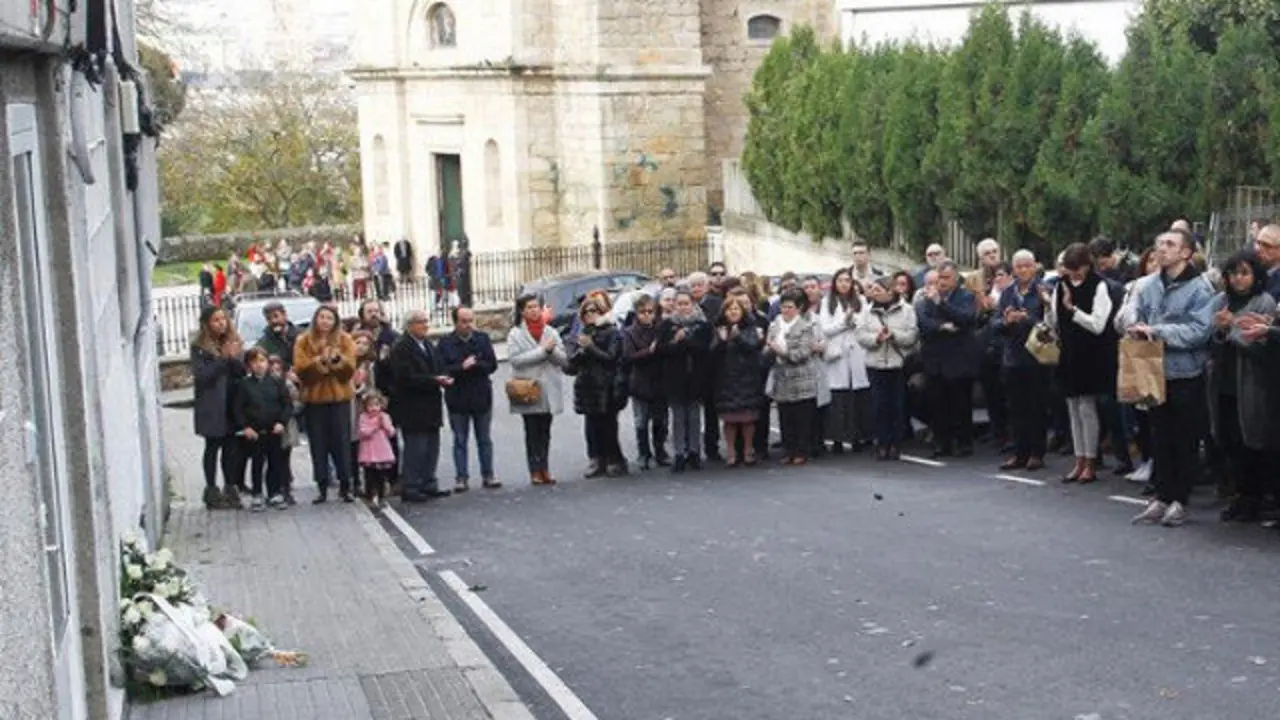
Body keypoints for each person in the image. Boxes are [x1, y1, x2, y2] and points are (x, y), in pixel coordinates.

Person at [1128, 229, 1215, 527]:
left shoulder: (1199, 289)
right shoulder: (1148, 284)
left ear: (1186, 253)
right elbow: (1132, 313)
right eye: (1160, 243)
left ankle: (1180, 499)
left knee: (1184, 439)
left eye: (1170, 245)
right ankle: (1161, 496)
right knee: (1159, 436)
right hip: (1154, 371)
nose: (1161, 249)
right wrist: (1134, 326)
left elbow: (1198, 331)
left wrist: (1158, 331)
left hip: (1185, 372)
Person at [1208, 251, 1276, 522]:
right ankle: (1239, 495)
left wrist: (1232, 329)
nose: (1238, 279)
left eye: (1244, 273)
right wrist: (1221, 330)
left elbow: (1259, 344)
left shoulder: (1264, 302)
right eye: (1233, 273)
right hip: (1223, 380)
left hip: (1251, 383)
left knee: (1252, 441)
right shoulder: (1223, 301)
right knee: (1228, 439)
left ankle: (1255, 498)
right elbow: (1212, 337)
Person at [1045, 243, 1115, 484]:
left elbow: (1098, 324)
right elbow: (1054, 319)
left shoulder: (1099, 285)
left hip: (1090, 355)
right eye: (1069, 269)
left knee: (1087, 408)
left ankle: (1091, 460)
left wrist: (1072, 310)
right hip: (1068, 354)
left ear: (1087, 265)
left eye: (1077, 269)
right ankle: (1078, 458)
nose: (1073, 274)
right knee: (1072, 409)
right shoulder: (1059, 286)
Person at [293, 306, 358, 503]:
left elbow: (349, 370)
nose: (325, 321)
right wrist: (319, 363)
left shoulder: (345, 339)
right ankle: (321, 486)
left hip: (339, 400)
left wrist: (337, 362)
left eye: (329, 318)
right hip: (315, 400)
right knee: (318, 445)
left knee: (342, 443)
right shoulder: (303, 341)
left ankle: (346, 485)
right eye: (321, 317)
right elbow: (301, 370)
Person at [992, 250, 1049, 471]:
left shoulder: (1043, 290)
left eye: (1027, 265)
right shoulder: (1007, 293)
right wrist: (1007, 321)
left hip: (1037, 356)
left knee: (1036, 406)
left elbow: (1049, 321)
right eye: (1019, 266)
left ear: (1034, 267)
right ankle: (1019, 452)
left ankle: (1037, 452)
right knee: (1016, 408)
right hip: (1013, 356)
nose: (1023, 270)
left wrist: (1027, 319)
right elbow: (995, 324)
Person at [389, 310, 454, 502]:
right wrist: (434, 380)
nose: (425, 325)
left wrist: (443, 376)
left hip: (431, 403)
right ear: (409, 325)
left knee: (431, 446)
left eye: (426, 321)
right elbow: (404, 378)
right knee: (416, 447)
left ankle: (428, 482)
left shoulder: (428, 344)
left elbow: (439, 365)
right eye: (420, 322)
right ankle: (412, 485)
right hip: (412, 405)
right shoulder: (401, 347)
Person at [916, 262, 980, 458]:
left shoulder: (965, 297)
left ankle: (964, 442)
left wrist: (942, 305)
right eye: (939, 278)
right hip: (935, 359)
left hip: (958, 360)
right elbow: (924, 323)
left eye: (946, 278)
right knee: (938, 404)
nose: (941, 282)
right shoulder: (927, 299)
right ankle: (941, 442)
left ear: (955, 279)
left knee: (961, 403)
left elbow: (966, 318)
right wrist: (942, 327)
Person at [508, 294, 570, 485]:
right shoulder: (516, 333)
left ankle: (545, 468)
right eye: (529, 307)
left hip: (548, 388)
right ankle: (534, 469)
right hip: (528, 388)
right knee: (532, 431)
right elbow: (516, 359)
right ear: (522, 311)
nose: (534, 311)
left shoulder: (551, 331)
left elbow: (563, 360)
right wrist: (542, 351)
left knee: (545, 431)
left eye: (536, 307)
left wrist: (551, 352)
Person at [438, 306, 501, 491]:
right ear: (455, 322)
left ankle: (488, 474)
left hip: (480, 395)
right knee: (460, 439)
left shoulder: (482, 339)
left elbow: (492, 364)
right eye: (463, 321)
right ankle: (461, 477)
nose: (468, 325)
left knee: (484, 439)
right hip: (457, 398)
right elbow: (442, 368)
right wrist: (462, 367)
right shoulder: (445, 343)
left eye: (470, 321)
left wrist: (477, 365)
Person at [856, 277, 917, 461]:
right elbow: (860, 335)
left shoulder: (907, 310)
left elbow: (912, 335)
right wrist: (877, 339)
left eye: (877, 289)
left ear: (889, 291)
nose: (873, 293)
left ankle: (896, 444)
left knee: (897, 406)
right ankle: (882, 443)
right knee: (879, 406)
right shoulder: (867, 311)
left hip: (897, 364)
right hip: (875, 364)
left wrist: (894, 335)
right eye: (872, 289)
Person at [191, 306, 246, 509]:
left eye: (223, 319)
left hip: (232, 403)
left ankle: (231, 487)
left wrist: (233, 357)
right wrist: (223, 359)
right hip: (212, 405)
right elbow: (203, 376)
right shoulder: (200, 347)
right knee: (213, 447)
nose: (221, 323)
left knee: (232, 448)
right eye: (216, 320)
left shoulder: (234, 342)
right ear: (207, 324)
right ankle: (211, 489)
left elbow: (241, 371)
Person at [570, 296, 628, 477]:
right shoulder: (582, 333)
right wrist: (580, 350)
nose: (590, 315)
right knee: (591, 425)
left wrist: (591, 347)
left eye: (593, 311)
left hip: (607, 385)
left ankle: (614, 459)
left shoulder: (612, 332)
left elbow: (611, 358)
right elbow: (571, 363)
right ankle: (595, 458)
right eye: (586, 312)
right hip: (587, 385)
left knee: (608, 424)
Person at [658, 287, 712, 472]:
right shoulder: (666, 325)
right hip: (675, 377)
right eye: (679, 304)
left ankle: (695, 452)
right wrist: (676, 341)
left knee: (695, 416)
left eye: (686, 304)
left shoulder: (702, 324)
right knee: (678, 416)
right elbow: (661, 350)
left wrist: (687, 340)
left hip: (696, 376)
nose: (683, 307)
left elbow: (704, 349)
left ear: (693, 304)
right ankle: (679, 453)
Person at [234, 347, 292, 511]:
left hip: (274, 430)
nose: (259, 365)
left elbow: (286, 405)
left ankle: (274, 492)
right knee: (257, 463)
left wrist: (282, 422)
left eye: (262, 361)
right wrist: (245, 427)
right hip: (255, 432)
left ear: (267, 363)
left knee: (275, 462)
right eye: (254, 361)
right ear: (249, 365)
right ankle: (257, 493)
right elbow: (238, 408)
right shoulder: (244, 385)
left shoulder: (276, 382)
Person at [767, 289, 821, 465]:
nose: (786, 310)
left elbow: (802, 353)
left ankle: (801, 451)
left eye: (790, 307)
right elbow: (768, 346)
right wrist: (770, 350)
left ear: (798, 309)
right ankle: (788, 450)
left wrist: (782, 352)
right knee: (785, 417)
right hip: (782, 378)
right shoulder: (775, 326)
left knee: (802, 417)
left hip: (801, 378)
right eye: (783, 307)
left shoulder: (805, 327)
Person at [711, 296, 766, 467]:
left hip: (747, 378)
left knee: (748, 419)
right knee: (730, 419)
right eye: (729, 309)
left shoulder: (751, 328)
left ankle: (748, 450)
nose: (733, 312)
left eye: (736, 309)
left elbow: (753, 347)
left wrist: (737, 337)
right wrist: (722, 340)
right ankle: (731, 452)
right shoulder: (718, 329)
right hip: (726, 379)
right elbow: (712, 353)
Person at [819, 268, 869, 453]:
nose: (844, 284)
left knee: (857, 397)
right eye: (840, 280)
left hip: (855, 353)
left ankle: (858, 437)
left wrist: (852, 319)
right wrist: (844, 322)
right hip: (837, 354)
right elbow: (826, 328)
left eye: (847, 280)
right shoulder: (827, 302)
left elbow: (864, 324)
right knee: (838, 398)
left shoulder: (861, 301)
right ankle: (837, 439)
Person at [622, 294, 670, 469]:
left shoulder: (661, 329)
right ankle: (643, 453)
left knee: (660, 419)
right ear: (636, 313)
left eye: (650, 311)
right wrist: (648, 352)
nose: (647, 315)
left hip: (660, 380)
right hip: (640, 381)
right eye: (643, 312)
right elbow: (628, 356)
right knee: (641, 420)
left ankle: (660, 450)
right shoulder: (630, 332)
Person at [690, 271, 724, 460]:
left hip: (711, 362)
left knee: (711, 408)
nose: (696, 289)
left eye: (699, 285)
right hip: (695, 363)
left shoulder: (713, 303)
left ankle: (712, 446)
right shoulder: (688, 304)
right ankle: (695, 447)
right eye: (693, 286)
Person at [357, 391, 398, 509]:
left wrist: (385, 425)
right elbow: (363, 432)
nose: (374, 408)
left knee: (381, 476)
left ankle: (381, 497)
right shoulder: (363, 417)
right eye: (370, 405)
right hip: (369, 452)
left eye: (376, 405)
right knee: (369, 476)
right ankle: (369, 496)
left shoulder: (385, 417)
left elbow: (391, 432)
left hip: (382, 451)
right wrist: (375, 426)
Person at [269, 354, 301, 505]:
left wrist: (287, 413)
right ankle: (274, 490)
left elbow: (298, 403)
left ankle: (286, 489)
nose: (275, 372)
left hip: (287, 427)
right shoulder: (266, 385)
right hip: (271, 427)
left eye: (278, 369)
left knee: (285, 460)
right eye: (272, 369)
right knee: (273, 460)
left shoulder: (288, 385)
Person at [256, 302, 301, 371]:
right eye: (269, 318)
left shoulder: (301, 335)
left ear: (285, 315)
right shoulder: (264, 342)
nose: (273, 321)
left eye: (276, 316)